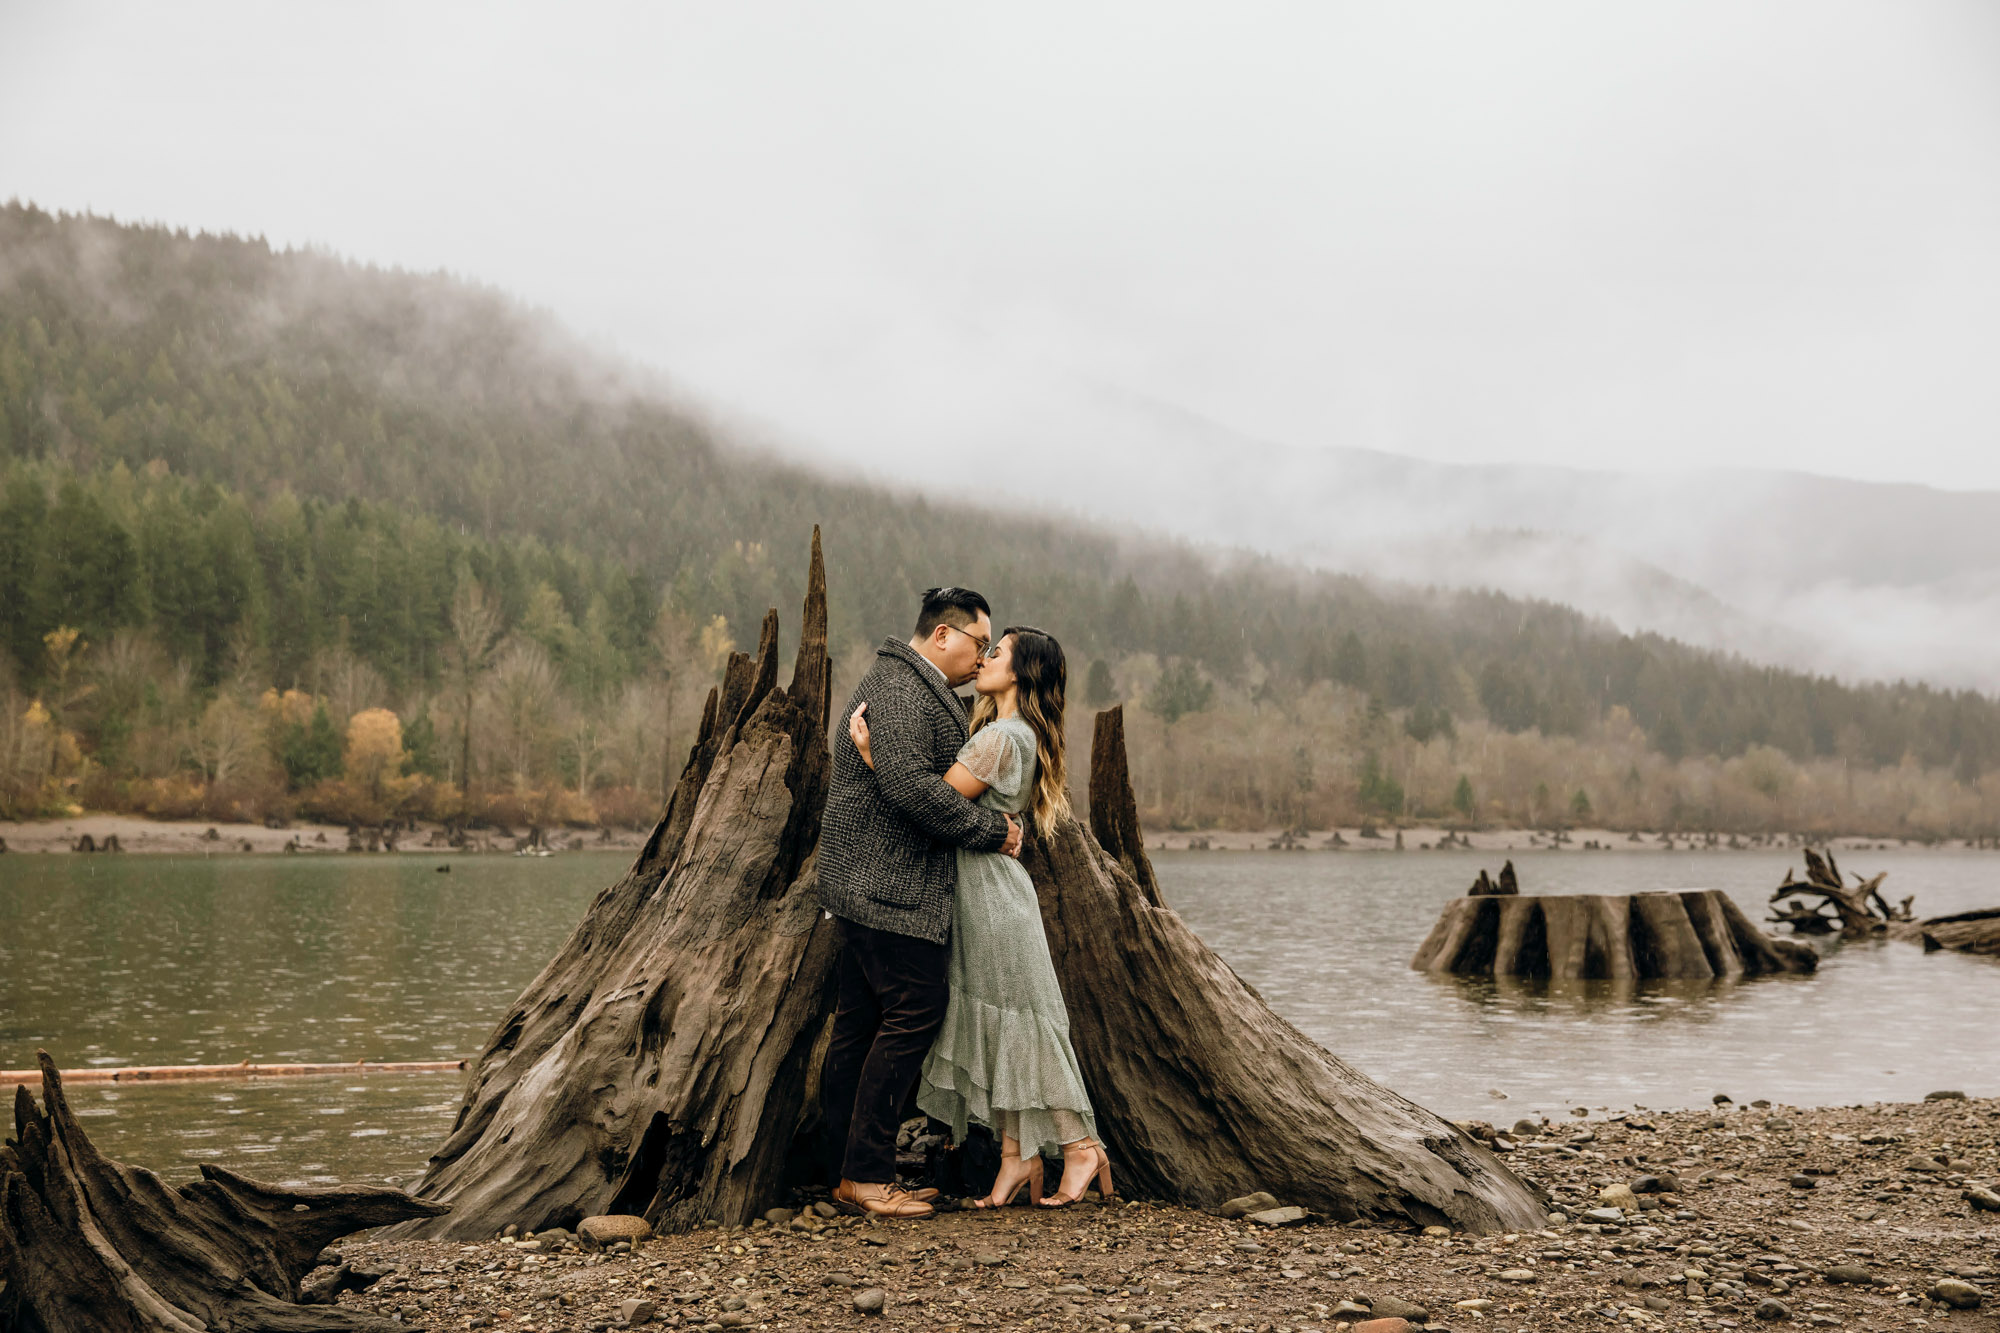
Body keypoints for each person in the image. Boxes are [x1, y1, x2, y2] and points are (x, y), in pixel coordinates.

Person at [849, 624, 1112, 1209]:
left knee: (1022, 1025)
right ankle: (1016, 1156)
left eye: (997, 653)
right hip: (980, 894)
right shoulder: (1008, 731)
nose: (985, 659)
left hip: (991, 900)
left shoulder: (1001, 739)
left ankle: (1079, 1146)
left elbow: (932, 801)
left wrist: (873, 757)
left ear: (1019, 673)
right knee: (1007, 1027)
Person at [816, 587, 1025, 1219]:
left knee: (859, 1024)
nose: (981, 656)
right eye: (977, 643)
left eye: (992, 649)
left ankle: (847, 1169)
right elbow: (912, 790)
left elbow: (906, 777)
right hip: (885, 886)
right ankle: (866, 1175)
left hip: (870, 882)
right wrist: (993, 831)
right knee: (914, 1011)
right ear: (943, 636)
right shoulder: (904, 691)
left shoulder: (907, 685)